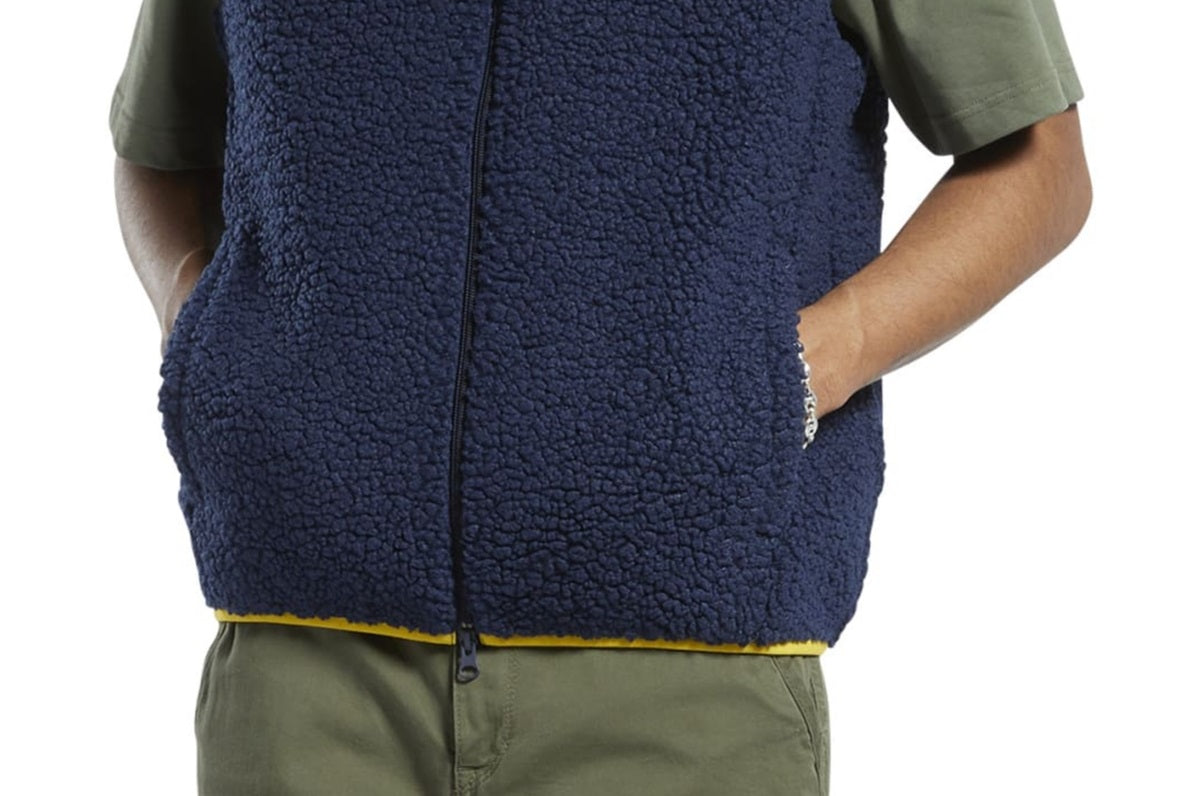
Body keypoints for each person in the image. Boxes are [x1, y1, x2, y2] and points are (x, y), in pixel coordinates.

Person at [109, 1, 1091, 793]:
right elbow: (158, 148)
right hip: (301, 674)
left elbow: (1037, 164)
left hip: (685, 680)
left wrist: (791, 372)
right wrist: (205, 339)